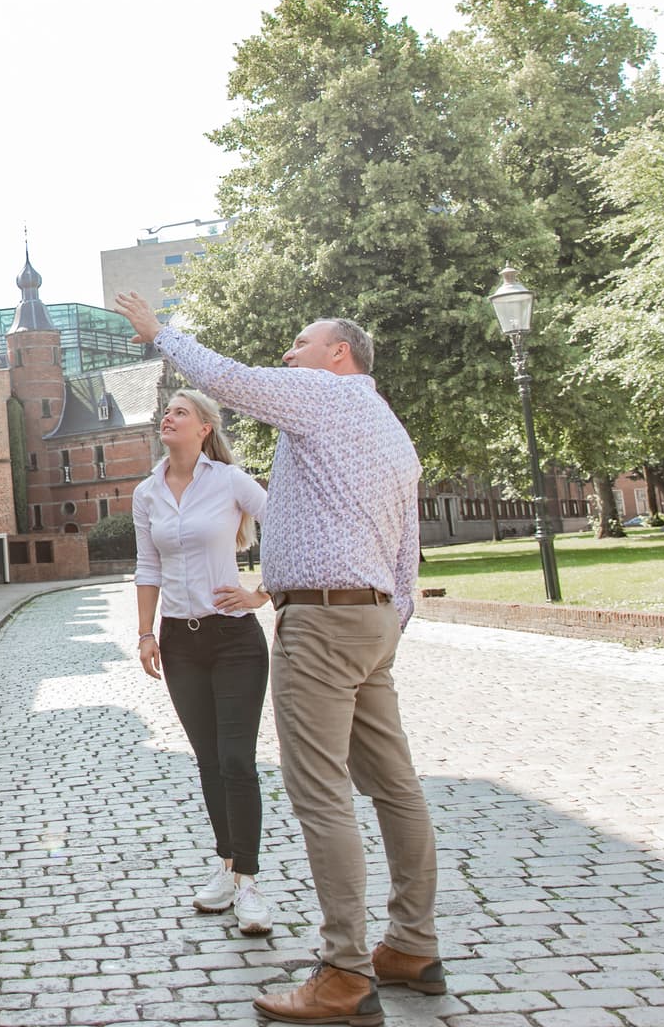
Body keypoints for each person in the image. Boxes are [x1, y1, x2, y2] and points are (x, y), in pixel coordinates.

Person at [114, 293, 442, 1027]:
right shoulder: (390, 428)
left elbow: (228, 381)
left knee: (320, 790)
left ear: (339, 354)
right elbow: (407, 549)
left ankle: (345, 973)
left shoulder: (325, 396)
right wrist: (389, 623)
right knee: (395, 787)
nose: (289, 353)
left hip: (323, 623)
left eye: (301, 342)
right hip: (371, 619)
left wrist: (160, 334)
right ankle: (412, 946)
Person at [134, 389, 274, 935]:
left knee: (237, 759)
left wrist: (261, 593)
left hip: (234, 639)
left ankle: (249, 883)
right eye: (167, 412)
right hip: (180, 643)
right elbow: (147, 566)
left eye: (181, 412)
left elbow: (285, 524)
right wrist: (145, 633)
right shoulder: (147, 493)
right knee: (209, 760)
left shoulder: (230, 481)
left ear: (205, 428)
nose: (168, 417)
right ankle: (227, 865)